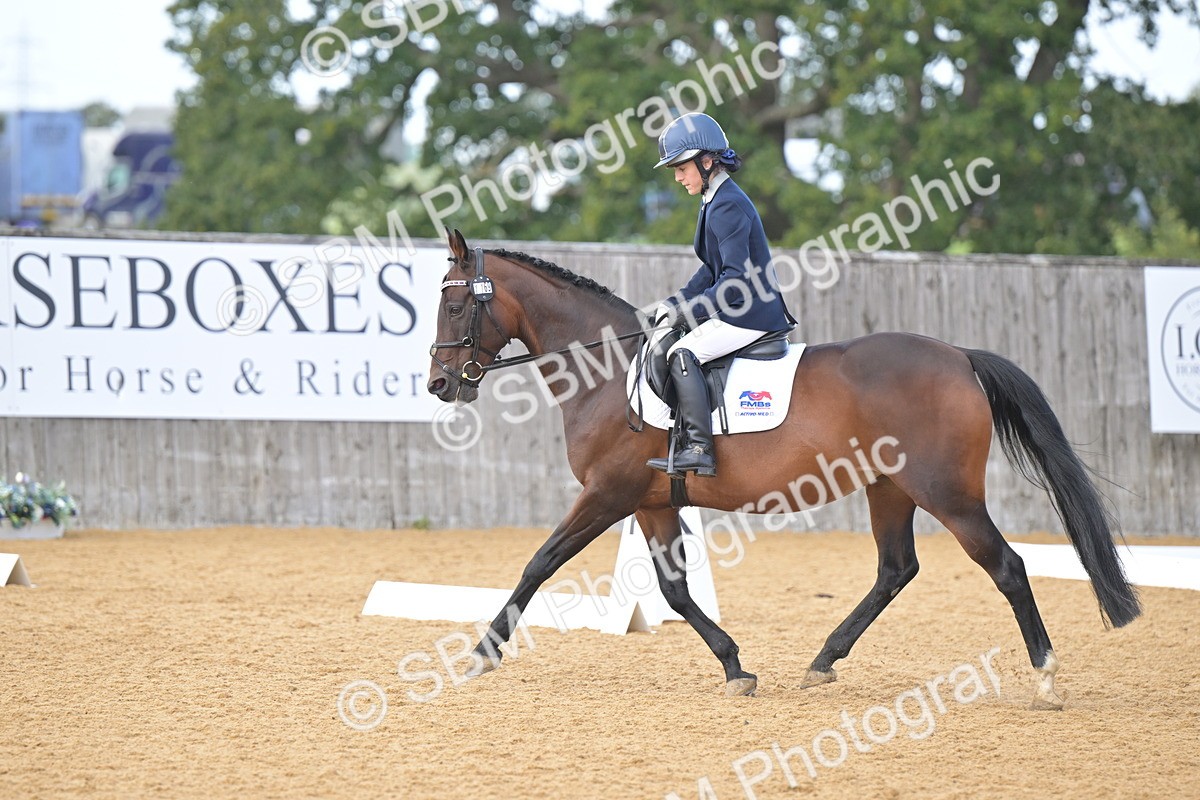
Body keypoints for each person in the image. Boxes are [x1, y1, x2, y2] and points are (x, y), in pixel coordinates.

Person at [646, 113, 795, 478]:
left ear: (707, 161)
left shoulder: (727, 204)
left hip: (751, 312)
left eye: (682, 168)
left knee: (684, 353)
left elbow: (736, 279)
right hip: (739, 305)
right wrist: (677, 302)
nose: (678, 177)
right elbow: (711, 270)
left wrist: (690, 312)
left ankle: (699, 448)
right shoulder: (715, 199)